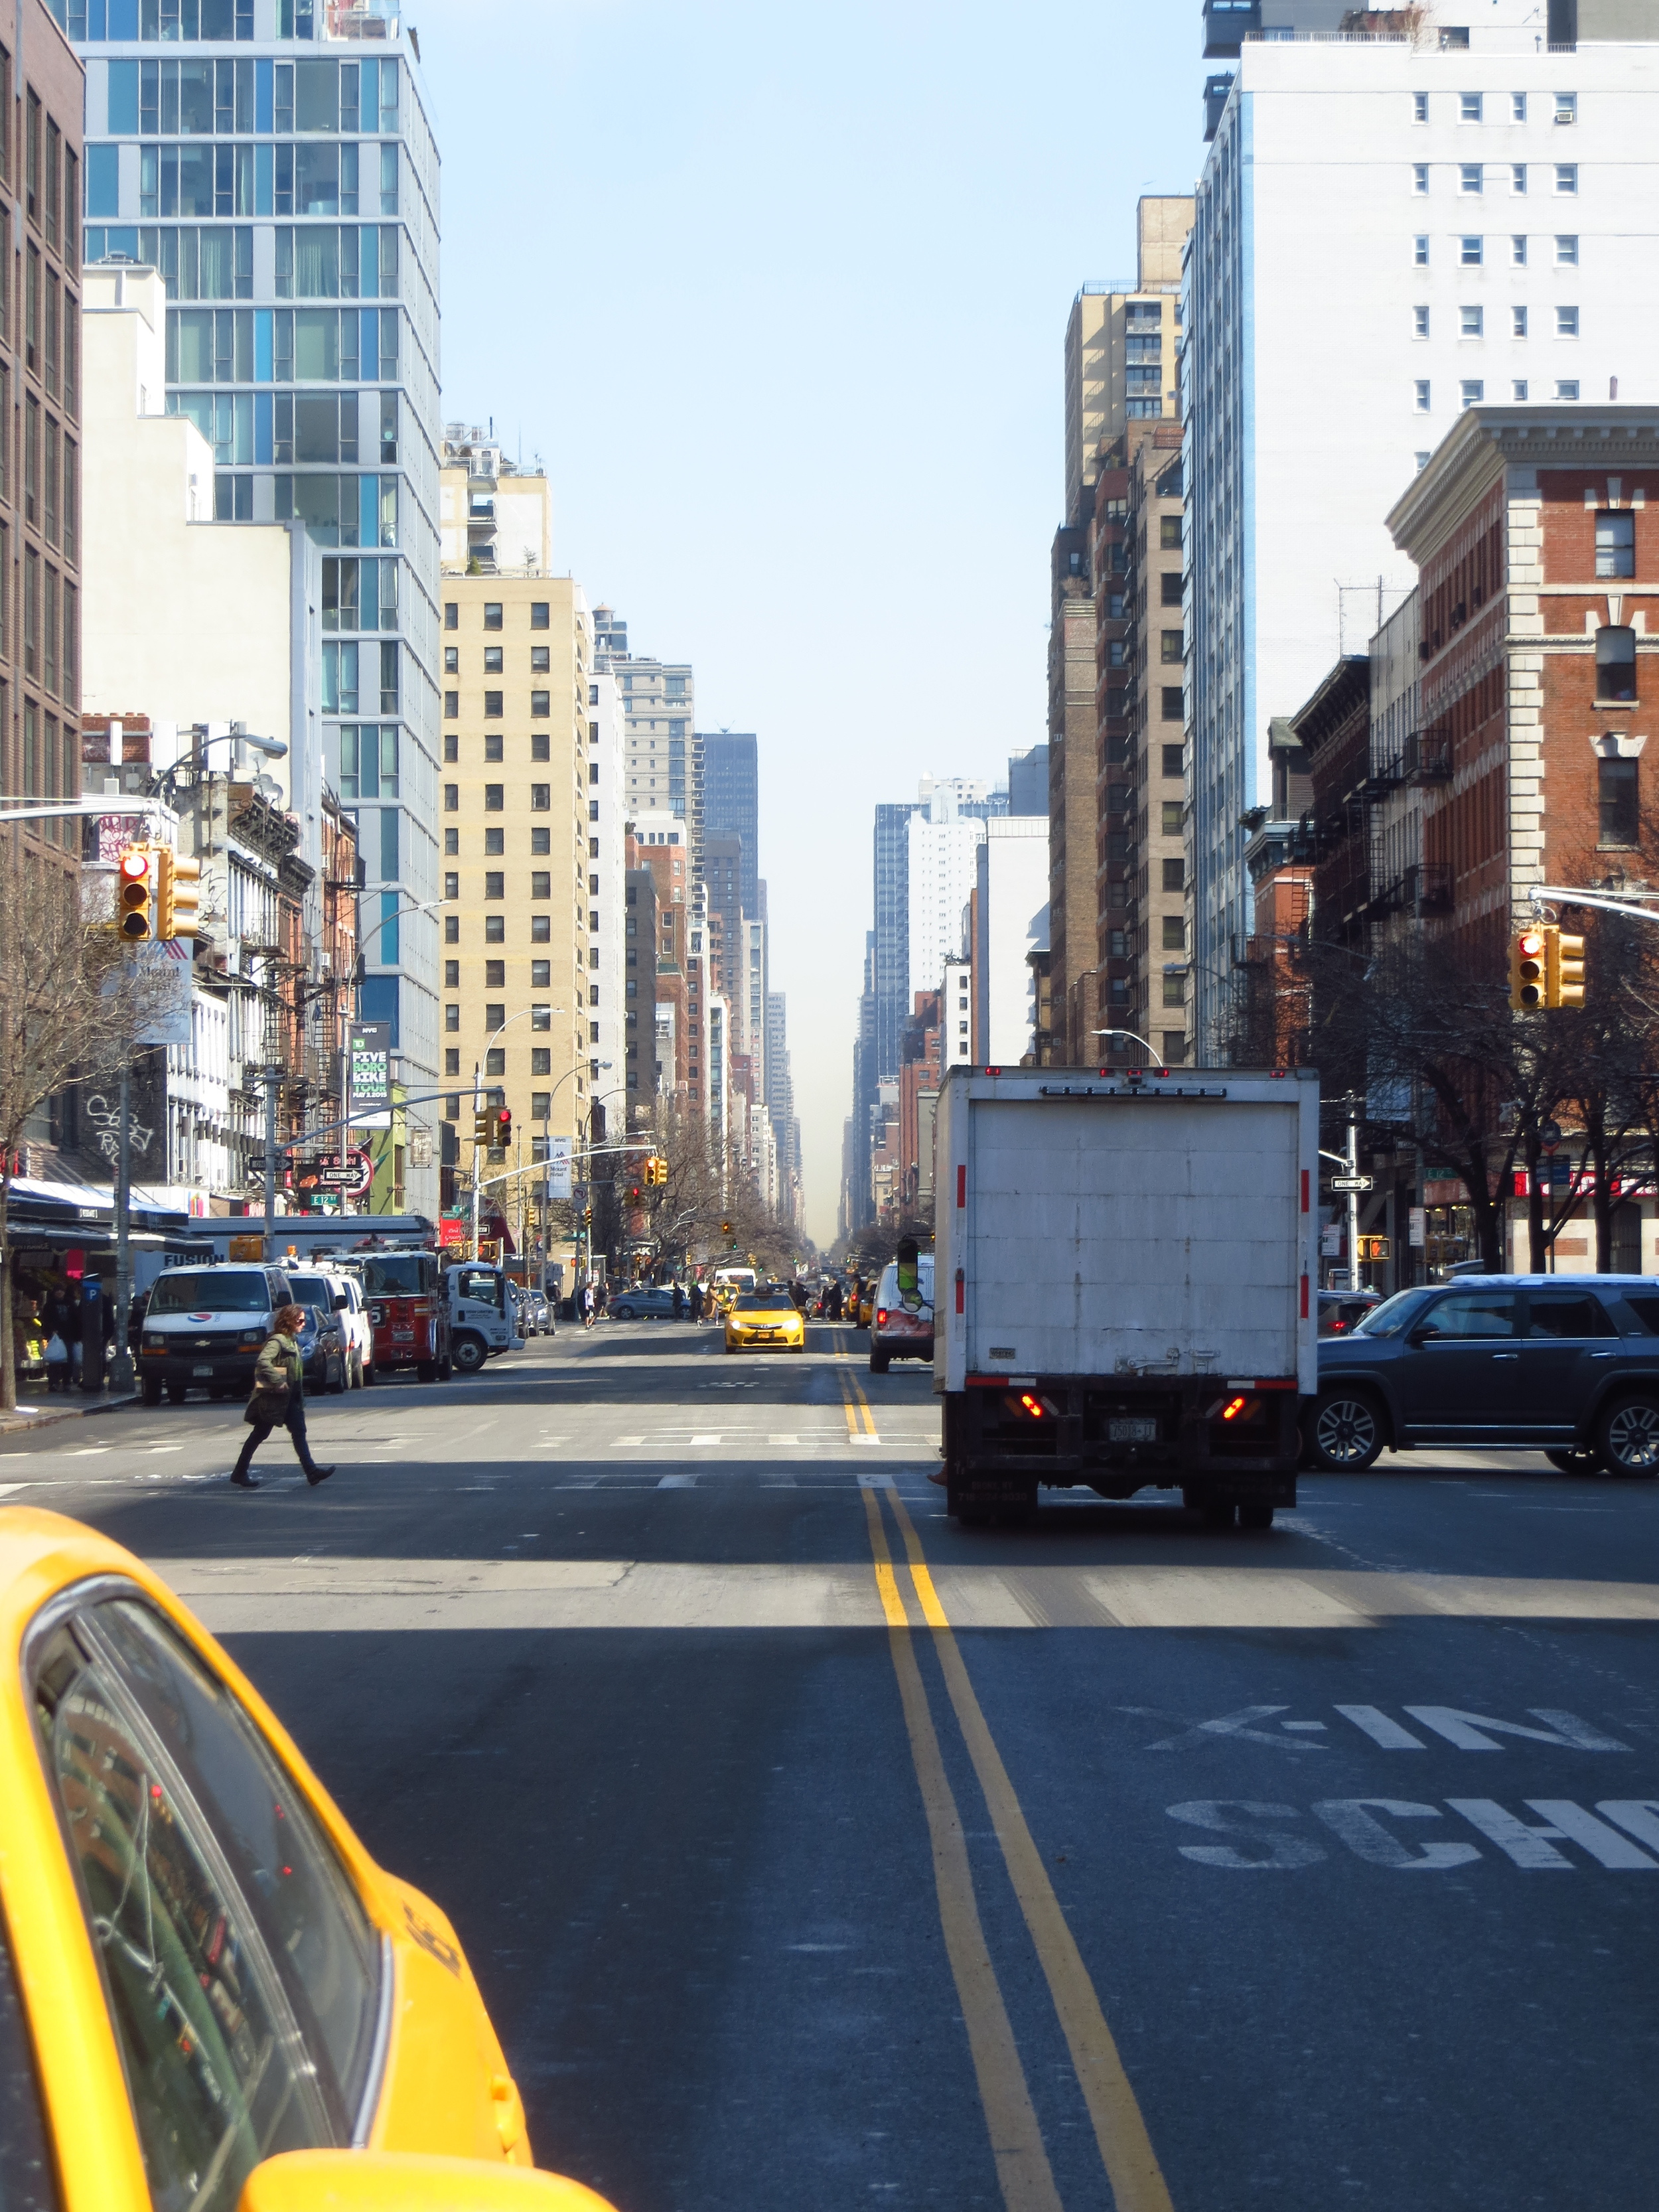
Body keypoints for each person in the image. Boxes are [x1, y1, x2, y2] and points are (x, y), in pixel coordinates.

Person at [231, 1305, 334, 1491]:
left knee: (298, 1431)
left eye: (304, 1321)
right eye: (300, 1321)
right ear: (289, 1321)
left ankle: (311, 1471)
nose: (304, 1324)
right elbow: (263, 1361)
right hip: (275, 1399)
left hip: (289, 1398)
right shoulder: (278, 1341)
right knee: (260, 1434)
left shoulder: (292, 1340)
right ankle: (239, 1472)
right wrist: (278, 1381)